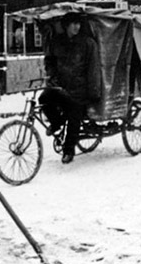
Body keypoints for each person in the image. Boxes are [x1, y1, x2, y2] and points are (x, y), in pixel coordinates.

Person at [39, 12, 101, 164]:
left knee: (74, 116)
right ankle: (57, 122)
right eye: (73, 24)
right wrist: (51, 76)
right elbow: (50, 60)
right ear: (66, 25)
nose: (76, 27)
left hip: (80, 90)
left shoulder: (88, 43)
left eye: (78, 24)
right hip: (61, 86)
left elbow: (93, 69)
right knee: (43, 98)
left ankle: (68, 151)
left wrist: (94, 92)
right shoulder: (57, 42)